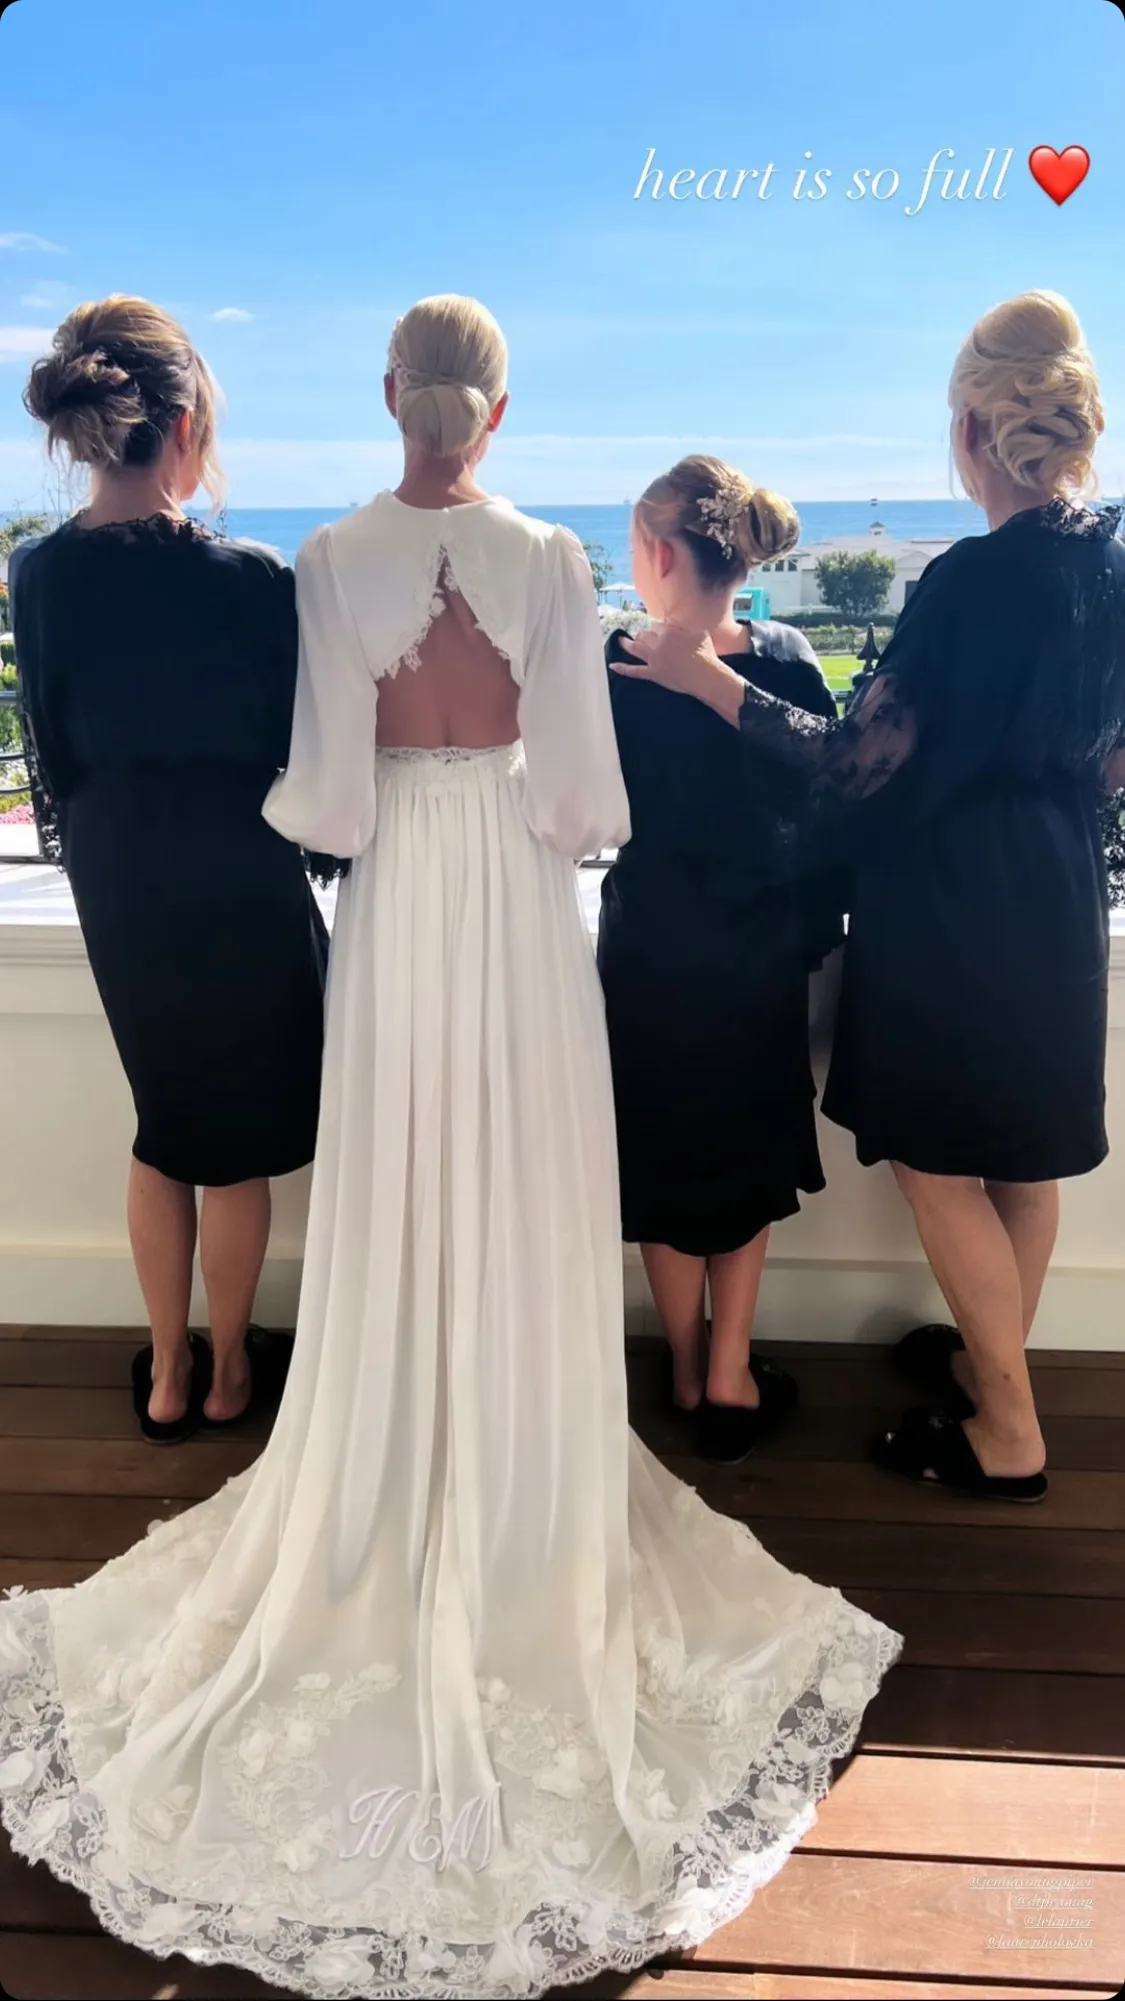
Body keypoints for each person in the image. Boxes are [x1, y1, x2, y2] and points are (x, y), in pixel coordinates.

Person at [0, 294, 897, 2000]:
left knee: (402, 1170)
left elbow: (322, 801)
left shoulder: (323, 559)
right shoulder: (554, 559)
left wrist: (384, 800)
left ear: (387, 398)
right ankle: (516, 1454)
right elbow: (585, 801)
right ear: (494, 414)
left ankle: (380, 1442)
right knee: (521, 1171)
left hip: (401, 902)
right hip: (516, 898)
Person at [615, 291, 1125, 1507]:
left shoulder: (969, 583)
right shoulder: (1115, 562)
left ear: (970, 432)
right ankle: (992, 1367)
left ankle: (1007, 1429)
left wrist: (702, 681)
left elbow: (852, 766)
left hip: (958, 902)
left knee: (940, 1164)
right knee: (1024, 1161)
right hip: (1060, 882)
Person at [10, 297, 328, 1442]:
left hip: (123, 880)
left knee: (164, 1127)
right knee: (234, 1148)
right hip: (240, 876)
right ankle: (231, 1371)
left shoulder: (38, 576)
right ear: (186, 425)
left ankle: (164, 1377)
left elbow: (51, 749)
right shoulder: (255, 577)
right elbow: (306, 753)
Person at [600, 456, 841, 1462]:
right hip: (757, 949)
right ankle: (733, 1373)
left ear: (659, 554)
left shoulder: (617, 666)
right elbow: (830, 789)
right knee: (745, 1158)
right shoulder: (787, 662)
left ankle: (688, 1363)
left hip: (651, 947)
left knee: (662, 1157)